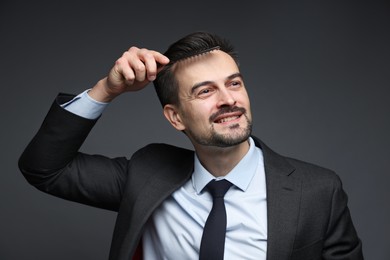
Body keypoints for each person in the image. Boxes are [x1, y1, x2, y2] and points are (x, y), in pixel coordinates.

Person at [19, 32, 363, 260]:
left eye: (234, 83)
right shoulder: (146, 174)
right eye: (205, 91)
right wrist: (106, 90)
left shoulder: (318, 190)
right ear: (175, 117)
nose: (229, 99)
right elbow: (45, 169)